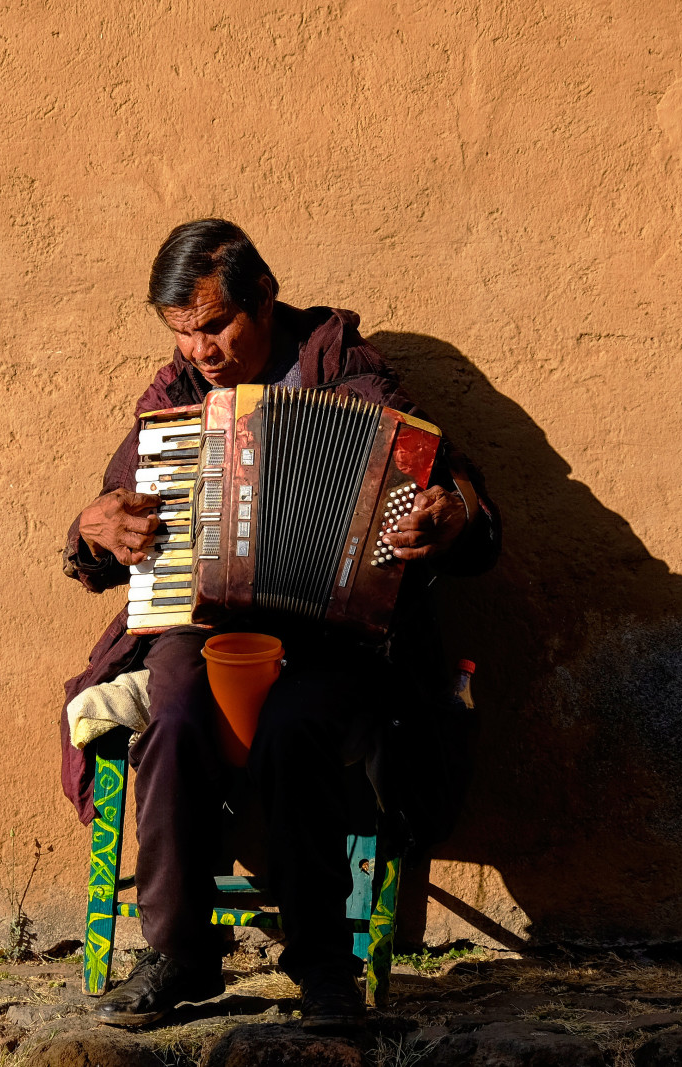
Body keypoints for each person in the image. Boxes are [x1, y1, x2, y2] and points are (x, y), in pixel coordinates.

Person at [59, 219, 501, 1030]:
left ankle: (323, 968)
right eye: (183, 335)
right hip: (207, 619)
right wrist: (93, 529)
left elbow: (461, 493)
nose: (201, 352)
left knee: (299, 720)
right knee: (177, 705)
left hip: (334, 629)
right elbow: (105, 535)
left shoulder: (346, 372)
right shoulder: (176, 400)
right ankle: (180, 955)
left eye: (216, 325)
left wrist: (454, 514)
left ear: (262, 296)